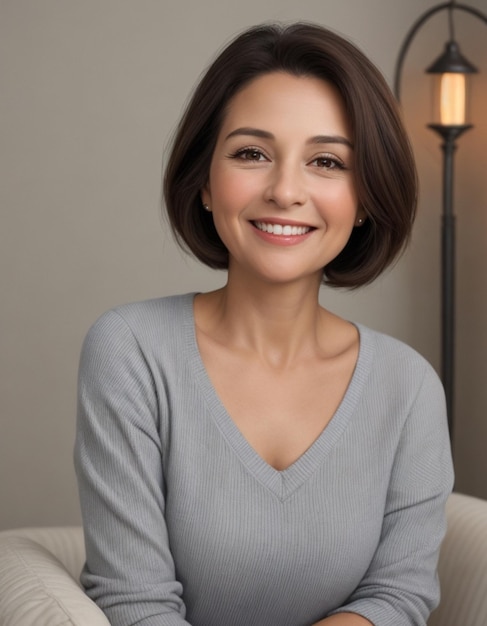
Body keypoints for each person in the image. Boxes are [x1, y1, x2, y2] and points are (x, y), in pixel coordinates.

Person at [74, 22, 454, 626]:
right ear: (204, 180)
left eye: (327, 162)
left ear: (364, 199)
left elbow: (398, 596)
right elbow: (135, 603)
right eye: (252, 153)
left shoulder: (408, 388)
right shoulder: (130, 352)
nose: (284, 190)